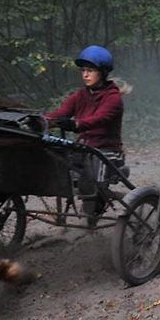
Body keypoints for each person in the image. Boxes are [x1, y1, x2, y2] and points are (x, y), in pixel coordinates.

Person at [45, 45, 125, 220]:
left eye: (90, 70)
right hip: (84, 149)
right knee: (55, 159)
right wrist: (41, 121)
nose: (85, 75)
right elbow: (59, 114)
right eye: (83, 71)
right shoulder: (79, 96)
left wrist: (75, 124)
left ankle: (92, 213)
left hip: (107, 152)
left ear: (103, 72)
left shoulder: (113, 98)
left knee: (92, 180)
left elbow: (99, 119)